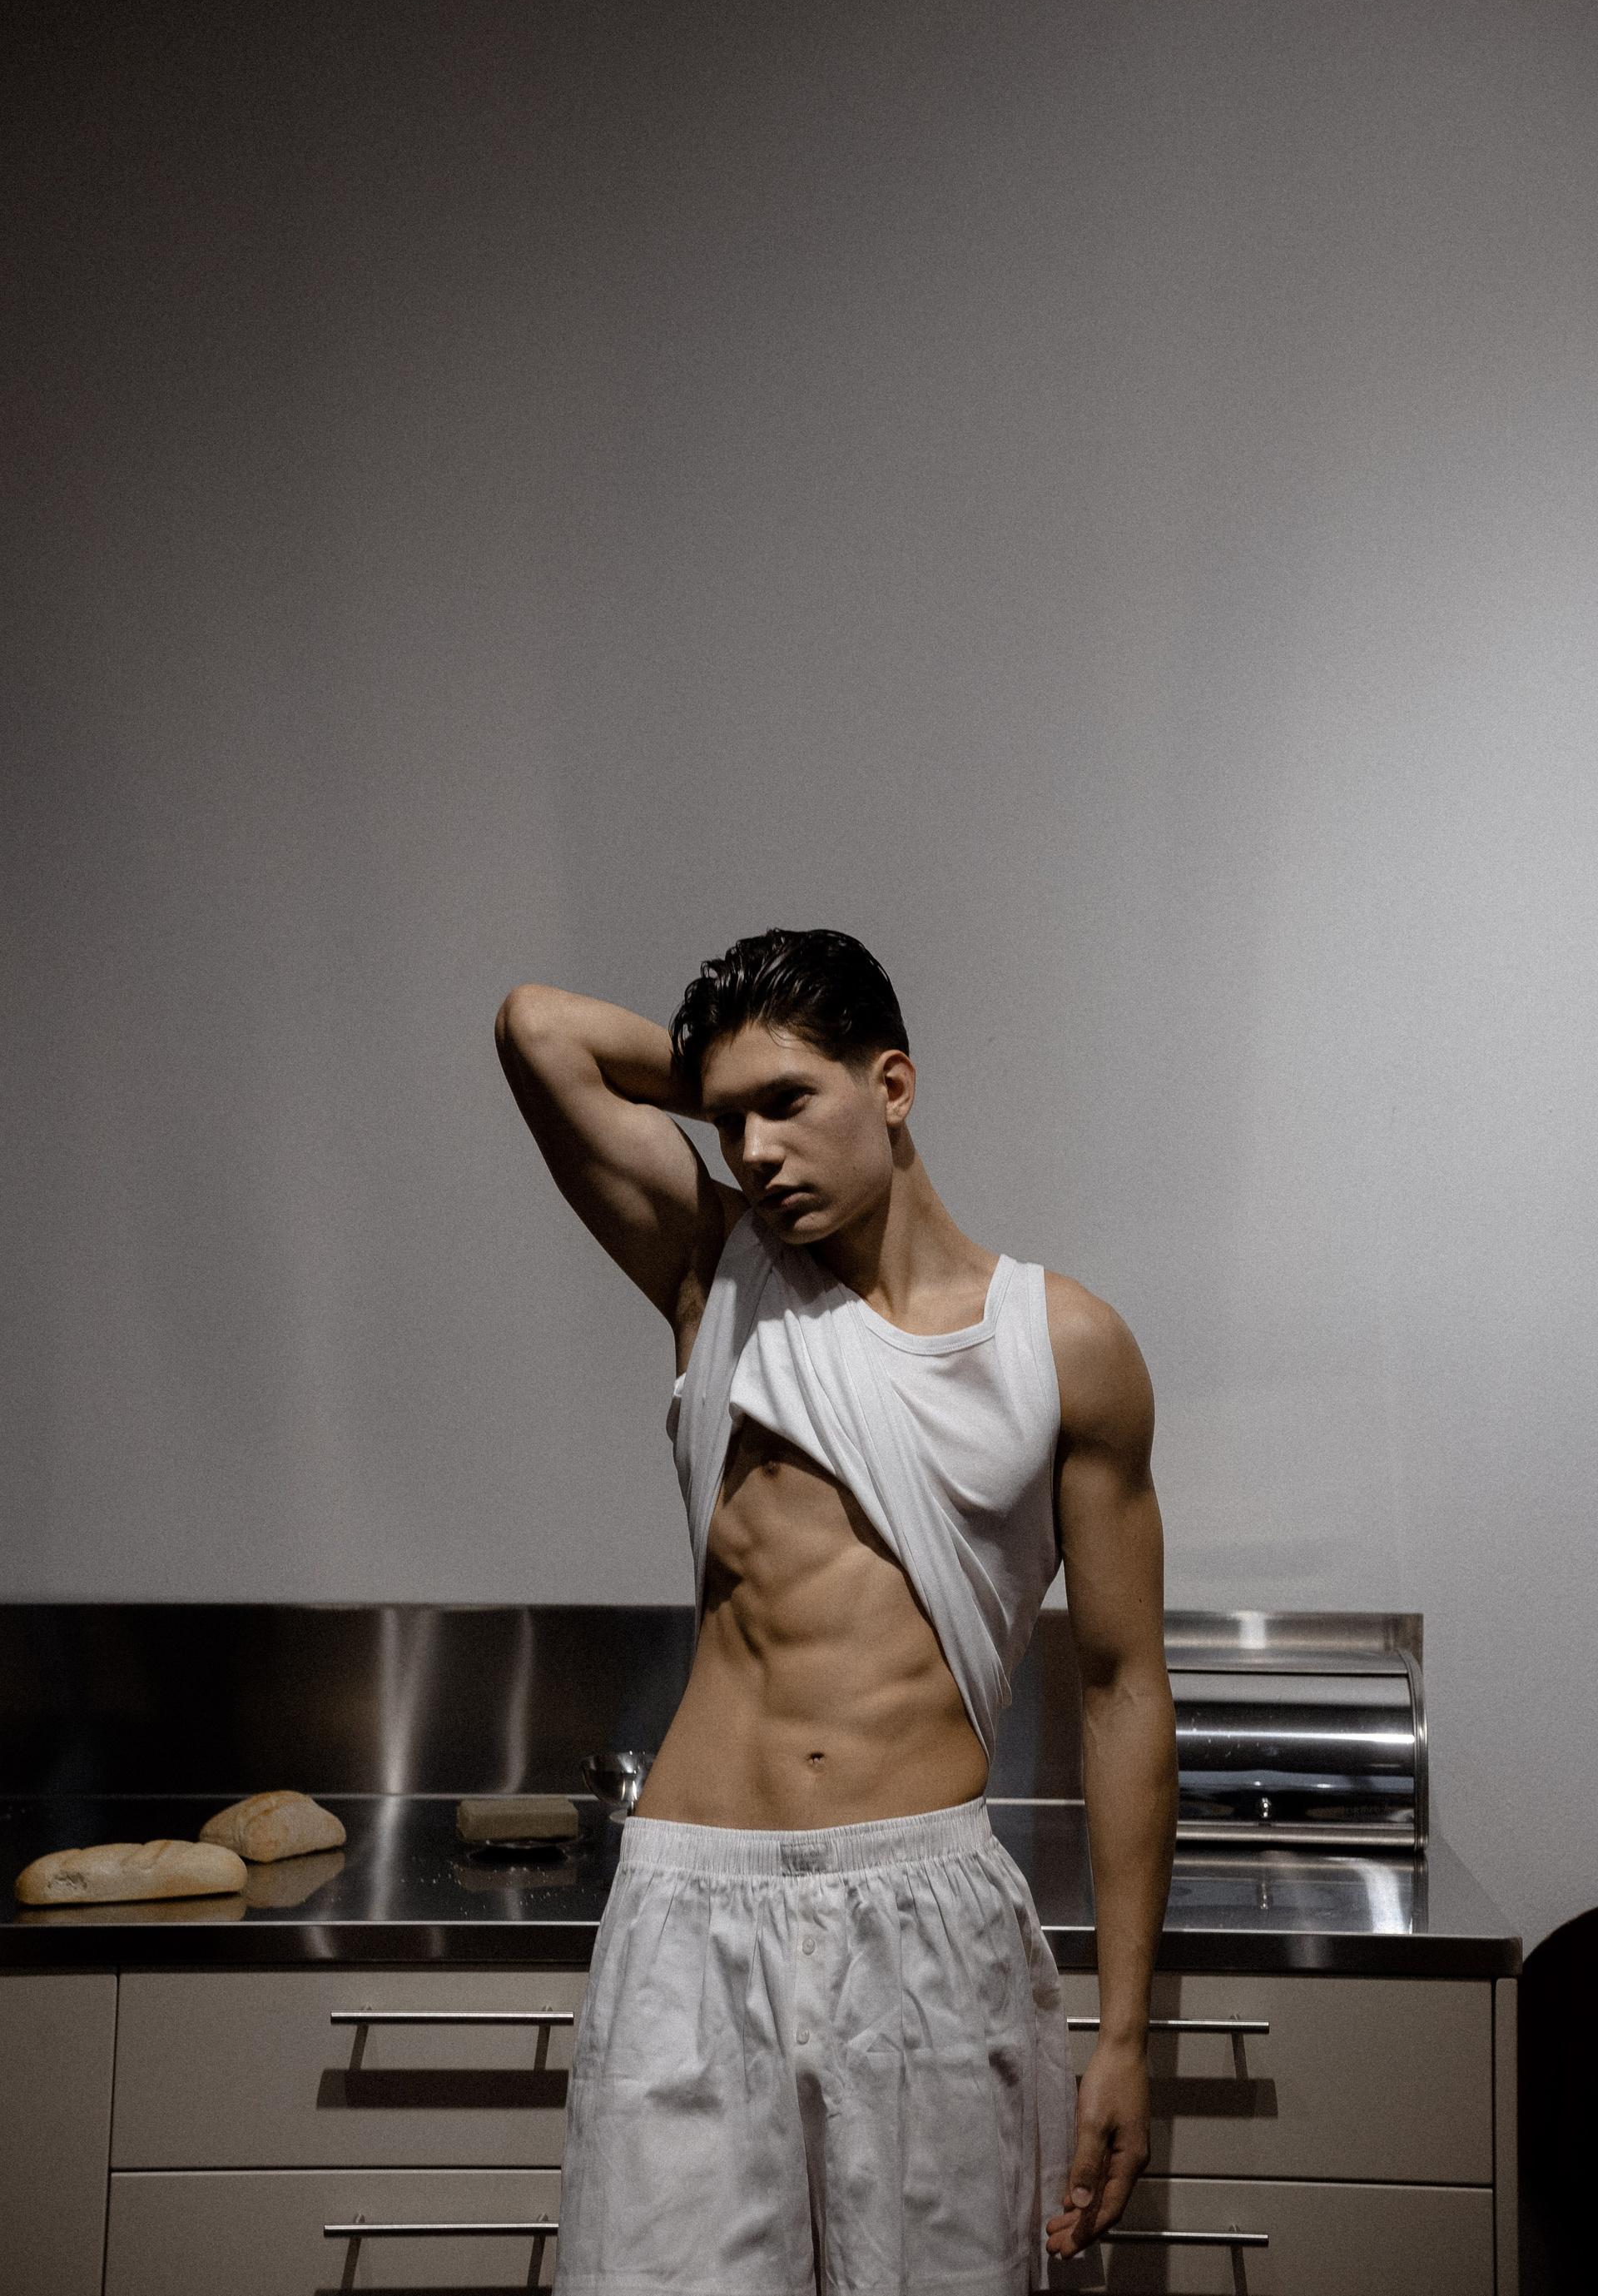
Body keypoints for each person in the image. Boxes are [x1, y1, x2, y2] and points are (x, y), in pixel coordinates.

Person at [495, 927, 1176, 2296]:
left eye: (790, 1102)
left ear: (894, 1084)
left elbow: (1122, 1687)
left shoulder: (1063, 1345)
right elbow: (537, 1028)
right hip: (694, 1913)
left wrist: (1120, 2034)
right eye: (727, 1118)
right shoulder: (712, 1272)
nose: (752, 1150)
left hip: (926, 1919)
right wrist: (744, 1076)